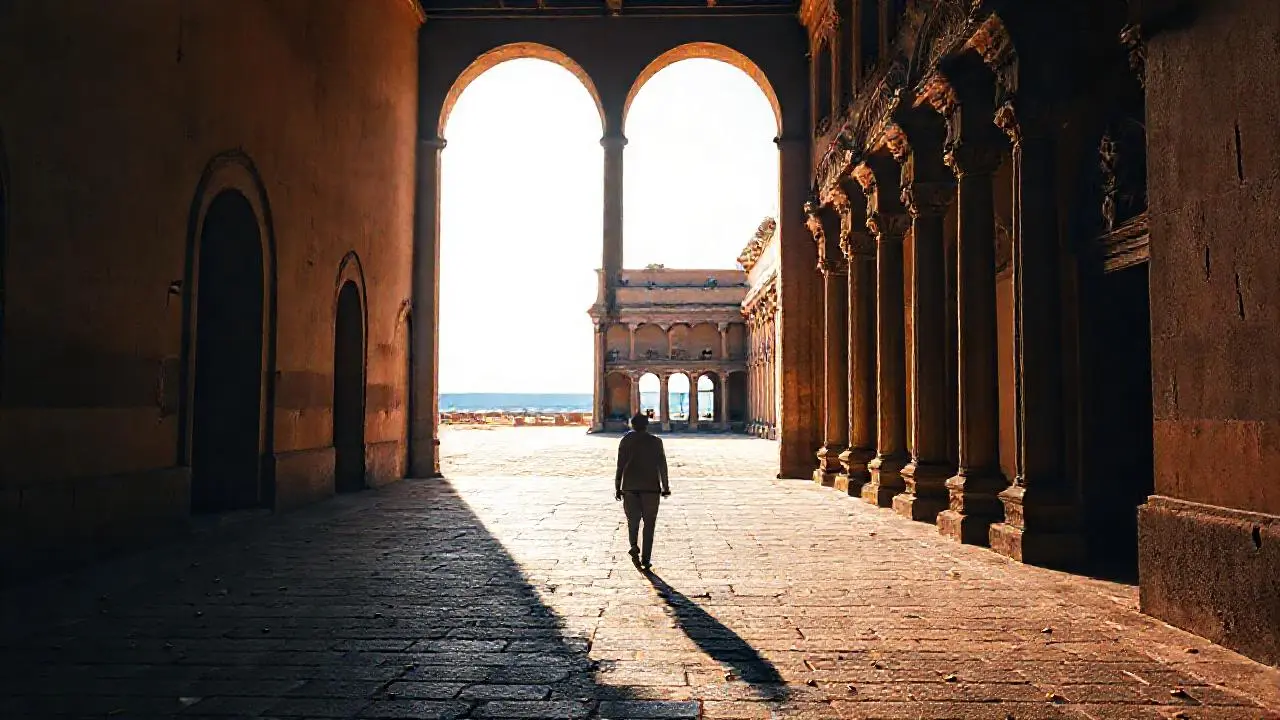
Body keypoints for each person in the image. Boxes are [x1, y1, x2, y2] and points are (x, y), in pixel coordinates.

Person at [614, 412, 670, 571]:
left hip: (630, 488)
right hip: (651, 488)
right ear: (647, 425)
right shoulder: (656, 442)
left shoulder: (625, 441)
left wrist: (617, 487)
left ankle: (633, 546)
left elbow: (620, 466)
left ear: (632, 425)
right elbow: (662, 467)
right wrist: (665, 487)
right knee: (649, 524)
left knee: (633, 522)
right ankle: (646, 559)